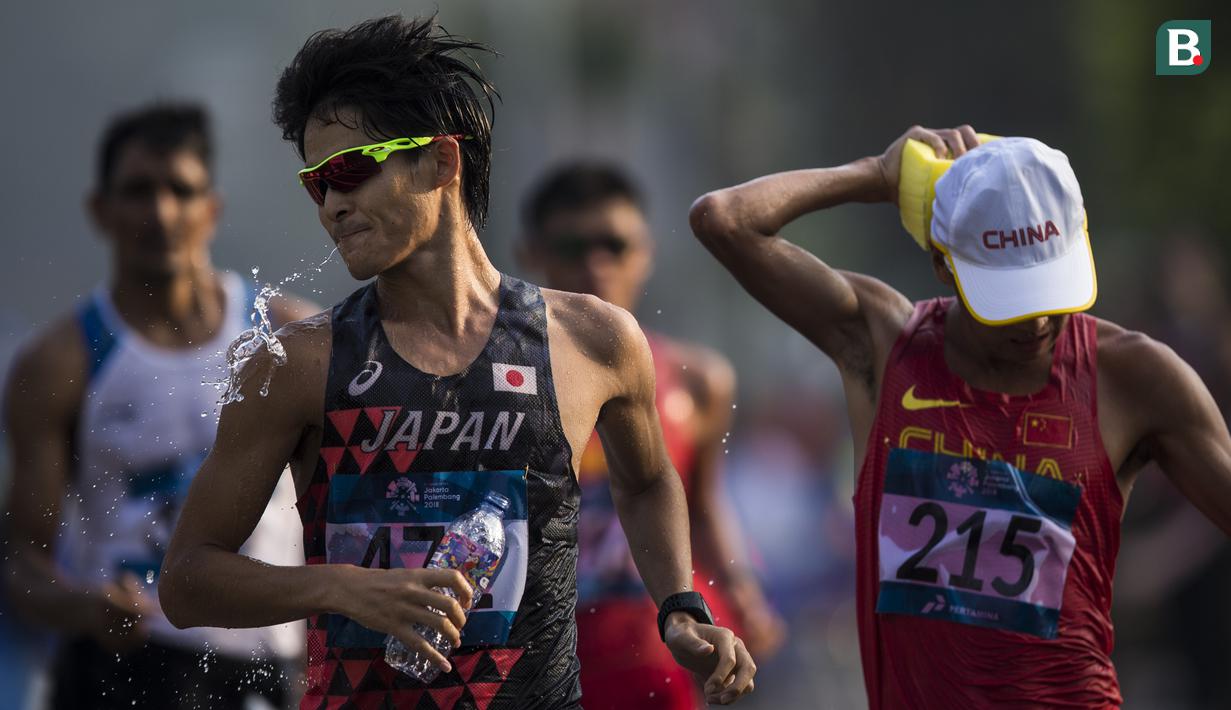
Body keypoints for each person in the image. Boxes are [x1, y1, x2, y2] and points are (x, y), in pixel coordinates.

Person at [158, 16, 756, 710]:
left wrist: (678, 606)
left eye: (352, 169)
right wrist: (341, 586)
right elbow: (186, 580)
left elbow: (647, 481)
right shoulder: (295, 364)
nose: (334, 205)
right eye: (317, 184)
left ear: (442, 161)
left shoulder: (592, 340)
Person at [688, 125, 1231, 708]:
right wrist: (875, 175)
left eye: (1051, 291)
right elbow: (724, 220)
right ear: (943, 265)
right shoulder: (881, 345)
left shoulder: (1137, 379)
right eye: (1010, 299)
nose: (1038, 324)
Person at [2, 102, 316, 708]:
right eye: (138, 191)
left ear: (213, 209)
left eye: (181, 190)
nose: (161, 212)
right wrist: (82, 606)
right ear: (101, 211)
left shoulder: (287, 337)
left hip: (277, 665)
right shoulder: (59, 362)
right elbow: (21, 564)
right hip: (126, 666)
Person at [517, 162, 785, 709]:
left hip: (656, 673)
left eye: (614, 245)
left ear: (644, 254)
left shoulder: (697, 382)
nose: (595, 265)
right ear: (530, 256)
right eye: (572, 246)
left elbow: (701, 507)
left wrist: (742, 592)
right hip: (532, 675)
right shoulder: (494, 389)